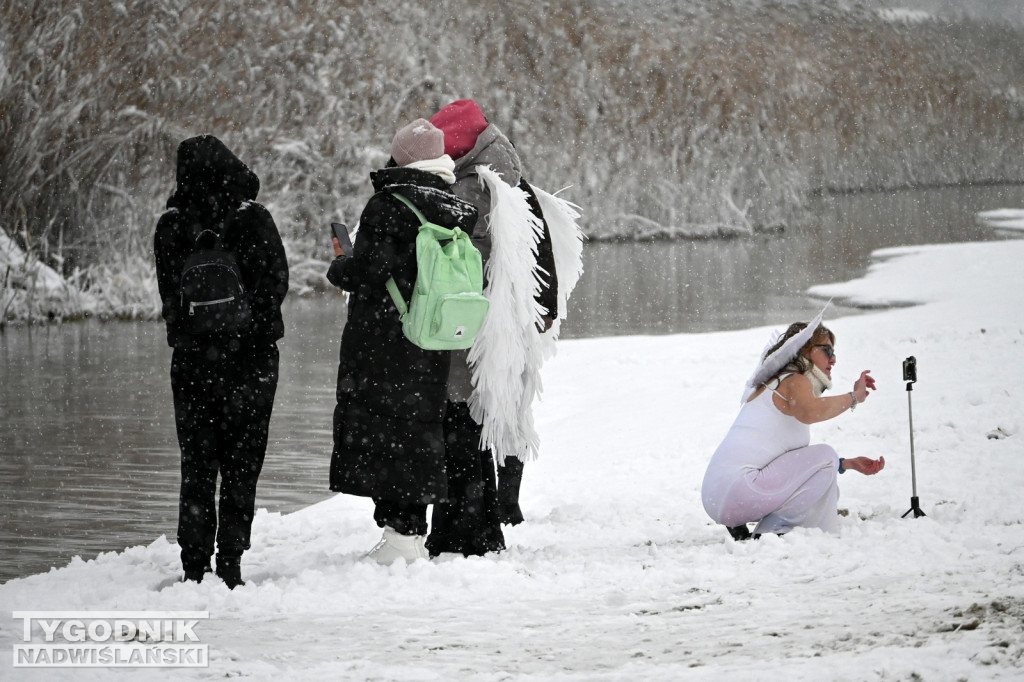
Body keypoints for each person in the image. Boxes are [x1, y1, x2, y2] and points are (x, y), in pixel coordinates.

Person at [424, 99, 584, 557]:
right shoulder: (511, 185)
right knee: (492, 415)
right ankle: (493, 515)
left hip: (482, 326)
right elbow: (539, 255)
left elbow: (468, 258)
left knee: (467, 419)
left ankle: (474, 529)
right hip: (508, 325)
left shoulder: (478, 189)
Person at [327, 118, 477, 563]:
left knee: (385, 432)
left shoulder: (390, 205)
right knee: (417, 432)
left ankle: (400, 538)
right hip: (429, 335)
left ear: (401, 158)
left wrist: (341, 265)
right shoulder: (450, 204)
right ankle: (409, 532)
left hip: (387, 340)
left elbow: (371, 271)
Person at [154, 135, 289, 588]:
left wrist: (194, 334)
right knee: (242, 462)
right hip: (252, 362)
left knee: (196, 464)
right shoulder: (254, 218)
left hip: (193, 363)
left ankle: (194, 565)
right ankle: (231, 559)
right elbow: (278, 283)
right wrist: (250, 327)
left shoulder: (171, 225)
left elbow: (169, 298)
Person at [700, 317, 885, 540]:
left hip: (717, 496)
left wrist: (846, 464)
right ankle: (774, 529)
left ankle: (745, 523)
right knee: (826, 457)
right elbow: (811, 411)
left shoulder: (770, 384)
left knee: (829, 485)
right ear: (805, 349)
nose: (833, 359)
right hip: (739, 491)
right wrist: (854, 397)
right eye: (827, 350)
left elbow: (788, 462)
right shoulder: (794, 381)